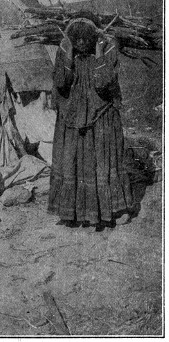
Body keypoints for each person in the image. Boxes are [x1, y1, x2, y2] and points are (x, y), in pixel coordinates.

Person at [48, 14, 133, 231]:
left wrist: (97, 55)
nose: (82, 44)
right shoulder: (66, 49)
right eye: (77, 40)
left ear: (94, 36)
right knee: (73, 161)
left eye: (86, 39)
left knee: (103, 162)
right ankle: (74, 212)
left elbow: (104, 82)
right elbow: (60, 82)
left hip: (101, 115)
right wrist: (67, 54)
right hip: (72, 116)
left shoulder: (107, 47)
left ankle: (114, 210)